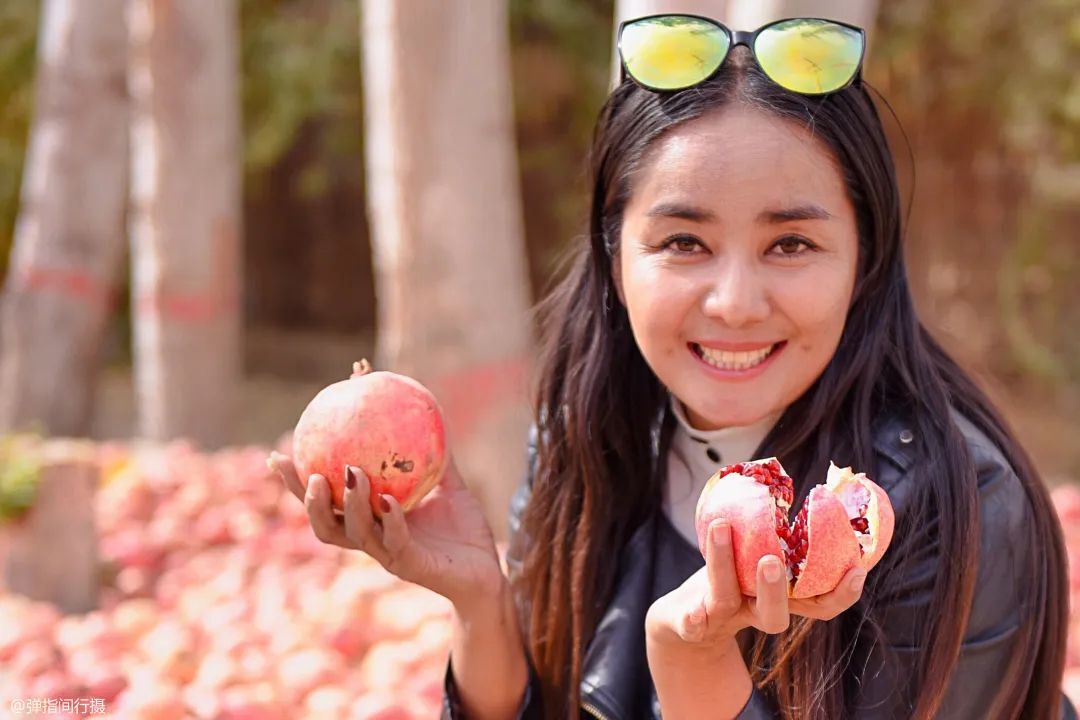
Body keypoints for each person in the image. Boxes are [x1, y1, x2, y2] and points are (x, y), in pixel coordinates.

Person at [268, 15, 1075, 720]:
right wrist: (481, 600)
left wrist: (690, 663)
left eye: (791, 244)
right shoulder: (591, 425)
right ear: (615, 255)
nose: (733, 302)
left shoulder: (955, 507)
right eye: (683, 242)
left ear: (865, 259)